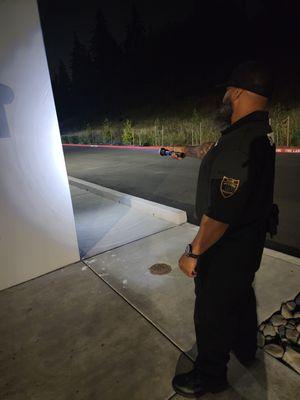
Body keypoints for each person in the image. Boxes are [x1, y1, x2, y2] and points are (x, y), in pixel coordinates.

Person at [171, 61, 276, 397]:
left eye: (228, 92)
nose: (225, 98)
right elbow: (209, 151)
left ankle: (210, 374)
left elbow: (220, 214)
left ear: (239, 92)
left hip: (226, 246)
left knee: (211, 311)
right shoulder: (255, 133)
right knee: (241, 296)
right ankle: (245, 348)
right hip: (247, 245)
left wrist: (194, 252)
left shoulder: (239, 142)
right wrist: (184, 151)